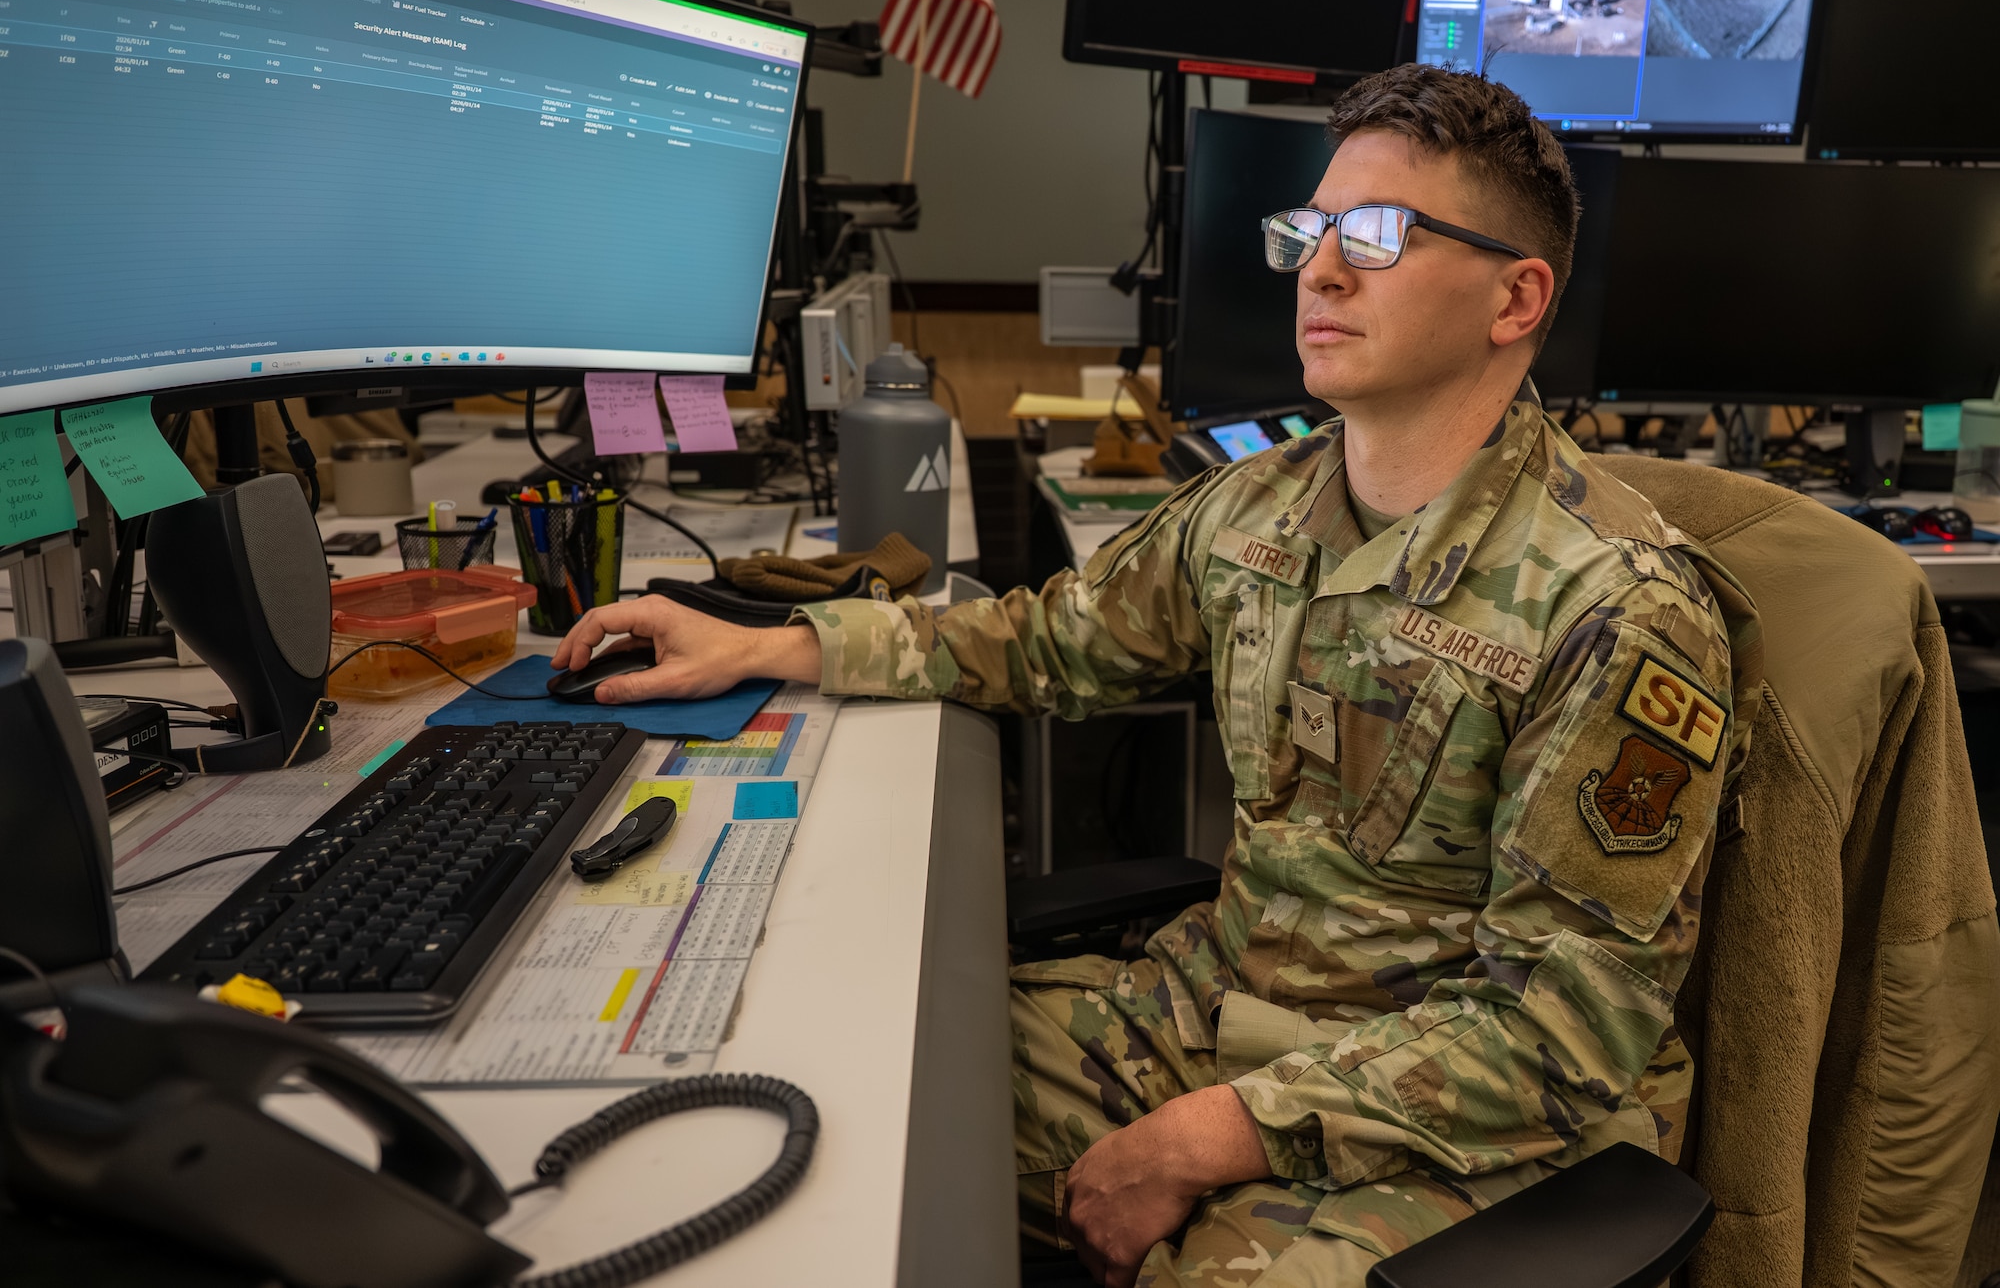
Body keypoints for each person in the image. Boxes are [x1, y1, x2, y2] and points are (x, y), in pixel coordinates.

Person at [551, 64, 1761, 1288]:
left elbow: (1561, 1030)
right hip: (1217, 1010)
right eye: (1309, 232)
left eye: (1378, 235)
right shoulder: (1256, 504)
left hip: (1458, 1114)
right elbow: (1048, 640)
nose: (1320, 271)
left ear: (1515, 297)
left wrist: (1205, 1138)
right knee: (826, 1096)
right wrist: (777, 642)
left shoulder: (1618, 607)